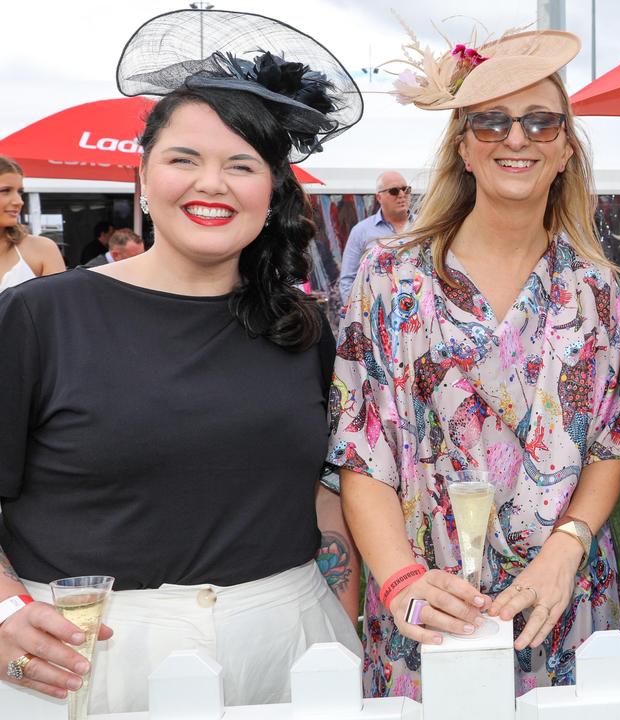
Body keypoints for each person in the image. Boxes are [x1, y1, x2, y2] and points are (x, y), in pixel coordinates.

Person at [0, 10, 363, 712]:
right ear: (143, 176)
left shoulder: (305, 329)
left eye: (241, 164)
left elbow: (322, 492)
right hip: (89, 661)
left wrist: (337, 620)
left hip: (289, 654)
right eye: (184, 159)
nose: (213, 184)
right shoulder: (39, 318)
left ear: (271, 191)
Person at [331, 21, 620, 699]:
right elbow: (359, 450)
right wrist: (401, 579)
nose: (516, 138)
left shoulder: (597, 288)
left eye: (540, 122)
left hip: (563, 600)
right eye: (491, 122)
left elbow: (614, 441)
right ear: (463, 147)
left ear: (565, 151)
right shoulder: (389, 278)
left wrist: (566, 546)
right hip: (427, 608)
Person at [337, 171, 413, 300]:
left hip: (419, 313)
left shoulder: (425, 227)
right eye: (394, 191)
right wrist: (356, 315)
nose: (402, 195)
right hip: (377, 312)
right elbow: (348, 280)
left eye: (406, 189)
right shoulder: (361, 231)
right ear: (379, 197)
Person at [0, 158, 65, 292]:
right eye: (5, 191)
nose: (19, 201)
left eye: (20, 192)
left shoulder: (42, 249)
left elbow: (62, 309)